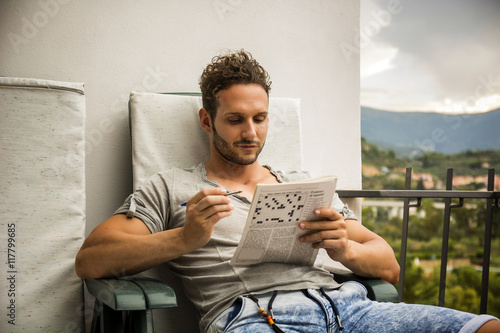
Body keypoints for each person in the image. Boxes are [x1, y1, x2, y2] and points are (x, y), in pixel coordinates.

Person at [75, 50, 500, 333]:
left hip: (348, 308)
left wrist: (345, 252)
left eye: (260, 118)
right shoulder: (171, 186)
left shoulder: (301, 185)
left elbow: (388, 268)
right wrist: (184, 238)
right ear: (207, 121)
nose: (250, 133)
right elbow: (91, 260)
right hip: (256, 318)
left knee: (485, 327)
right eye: (235, 119)